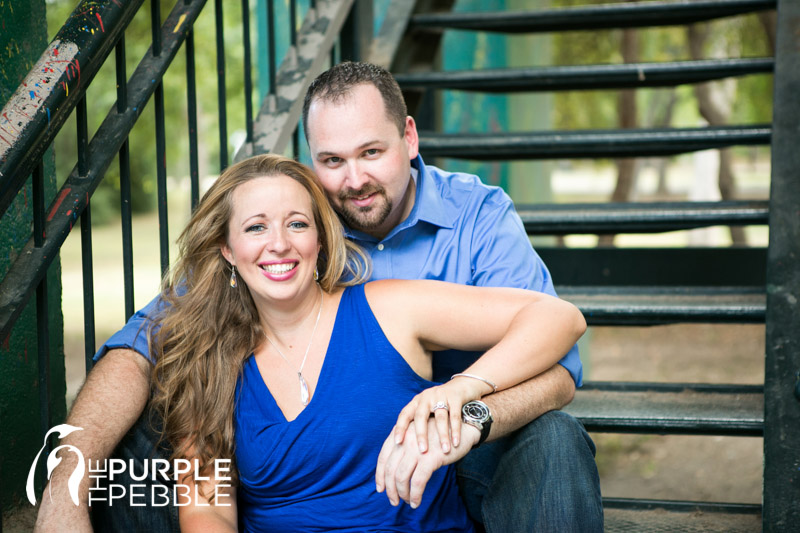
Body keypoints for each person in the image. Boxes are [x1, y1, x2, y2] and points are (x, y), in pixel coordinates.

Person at [35, 62, 602, 532]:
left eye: (370, 153)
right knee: (135, 454)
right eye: (331, 161)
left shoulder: (473, 221)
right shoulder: (290, 218)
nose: (352, 179)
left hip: (466, 447)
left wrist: (465, 406)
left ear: (409, 137)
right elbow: (143, 344)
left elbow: (557, 363)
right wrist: (66, 485)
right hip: (306, 468)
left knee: (553, 438)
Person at [153, 153, 585, 531]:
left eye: (297, 224)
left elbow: (558, 317)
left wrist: (464, 388)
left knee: (557, 435)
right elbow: (207, 506)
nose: (279, 244)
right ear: (227, 249)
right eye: (255, 228)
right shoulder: (208, 359)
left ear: (320, 239)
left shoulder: (388, 308)